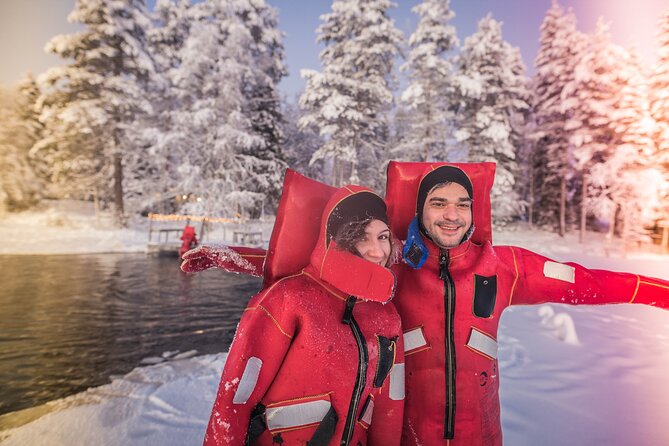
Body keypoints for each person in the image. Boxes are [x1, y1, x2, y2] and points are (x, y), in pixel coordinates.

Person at [386, 162, 669, 446]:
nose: (452, 215)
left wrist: (661, 293)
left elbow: (583, 282)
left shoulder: (501, 266)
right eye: (438, 203)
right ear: (419, 209)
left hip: (481, 437)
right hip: (408, 437)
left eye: (463, 204)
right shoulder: (391, 271)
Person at [192, 180, 405, 446]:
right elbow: (234, 402)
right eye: (361, 237)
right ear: (336, 240)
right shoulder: (289, 298)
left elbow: (389, 406)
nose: (377, 251)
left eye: (383, 237)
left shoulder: (387, 316)